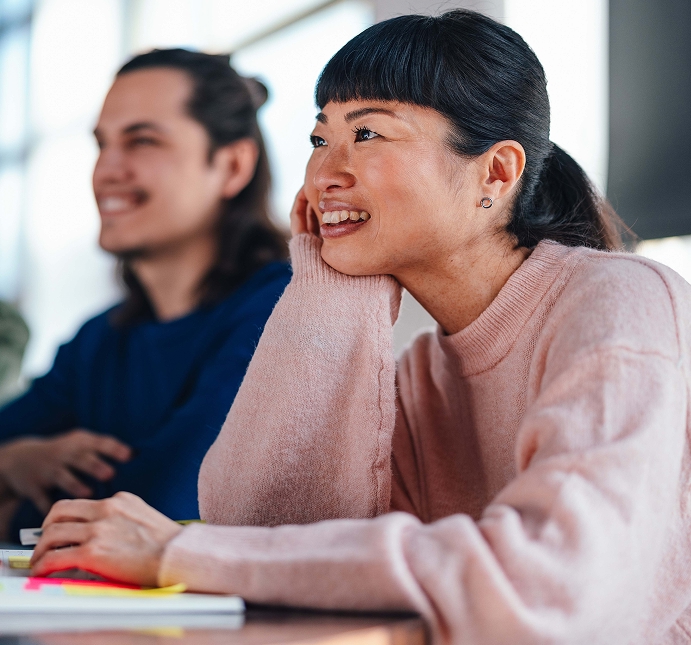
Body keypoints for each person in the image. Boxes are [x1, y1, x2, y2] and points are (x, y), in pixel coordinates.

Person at [29, 11, 691, 644]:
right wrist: (328, 287)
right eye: (320, 139)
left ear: (495, 172)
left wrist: (179, 549)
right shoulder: (421, 371)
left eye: (366, 134)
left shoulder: (620, 300)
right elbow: (270, 534)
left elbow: (549, 585)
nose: (324, 173)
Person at [0, 49, 290, 542]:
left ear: (233, 166)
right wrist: (11, 462)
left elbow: (172, 502)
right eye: (102, 144)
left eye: (142, 141)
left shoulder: (283, 309)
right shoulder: (99, 341)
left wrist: (12, 512)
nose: (106, 170)